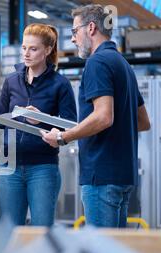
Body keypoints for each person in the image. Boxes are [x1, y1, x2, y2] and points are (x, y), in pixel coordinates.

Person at [41, 5, 151, 228]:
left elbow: (103, 117)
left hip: (101, 175)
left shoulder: (97, 63)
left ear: (90, 28)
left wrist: (64, 137)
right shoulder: (123, 64)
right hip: (123, 175)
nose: (73, 39)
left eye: (74, 31)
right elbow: (142, 122)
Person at [0, 24, 77, 226]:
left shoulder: (60, 84)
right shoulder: (11, 82)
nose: (26, 53)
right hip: (10, 166)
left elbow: (70, 128)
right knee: (10, 231)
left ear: (48, 50)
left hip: (43, 168)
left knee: (41, 233)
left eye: (33, 49)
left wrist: (41, 119)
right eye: (24, 48)